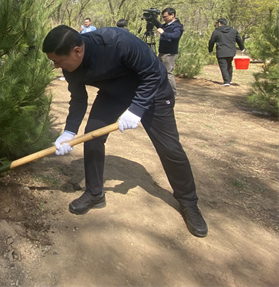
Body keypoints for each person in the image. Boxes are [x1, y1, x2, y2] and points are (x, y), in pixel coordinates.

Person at [42, 25, 208, 237]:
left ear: (76, 51)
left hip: (153, 90)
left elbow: (154, 73)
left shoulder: (117, 42)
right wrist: (69, 132)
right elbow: (78, 98)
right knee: (92, 135)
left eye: (57, 61)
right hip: (114, 94)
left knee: (169, 148)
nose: (56, 66)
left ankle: (188, 201)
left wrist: (137, 109)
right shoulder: (69, 65)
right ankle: (94, 193)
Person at [155, 8, 183, 97]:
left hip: (169, 53)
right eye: (163, 17)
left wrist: (163, 33)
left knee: (168, 73)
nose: (164, 18)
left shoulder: (177, 26)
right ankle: (161, 91)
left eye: (165, 17)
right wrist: (153, 20)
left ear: (172, 15)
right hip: (162, 52)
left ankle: (173, 94)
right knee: (160, 72)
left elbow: (176, 36)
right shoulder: (167, 25)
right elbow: (161, 27)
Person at [208, 18, 245, 87]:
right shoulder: (233, 31)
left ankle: (226, 81)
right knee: (229, 64)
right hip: (231, 51)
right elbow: (239, 40)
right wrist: (242, 48)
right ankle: (229, 79)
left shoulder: (216, 32)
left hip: (221, 51)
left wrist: (210, 50)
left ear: (219, 23)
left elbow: (211, 41)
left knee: (223, 66)